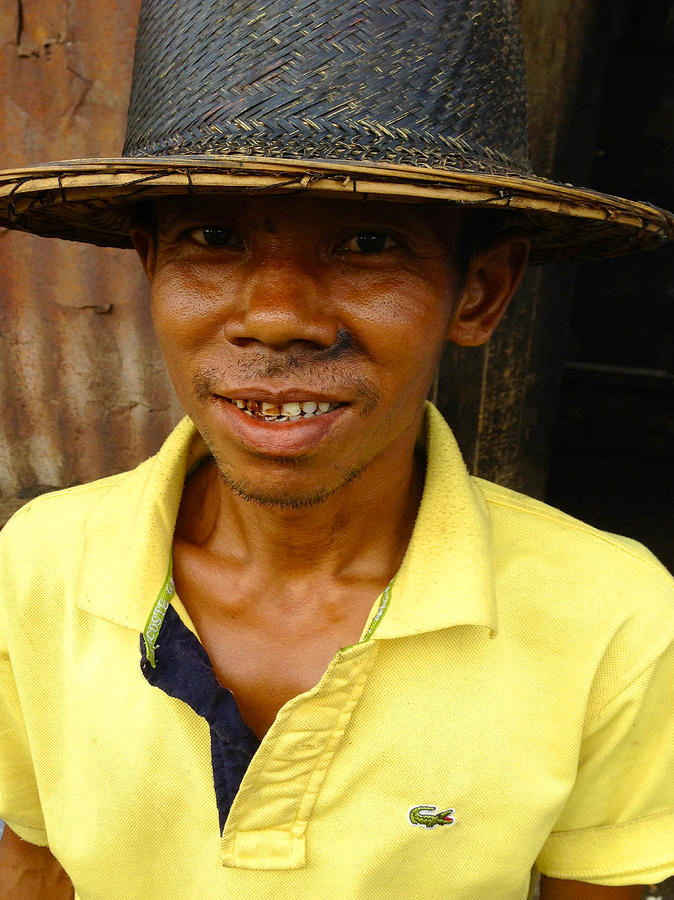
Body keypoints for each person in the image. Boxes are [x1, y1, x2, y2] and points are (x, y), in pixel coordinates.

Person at [0, 1, 673, 898]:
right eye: (212, 236)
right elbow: (34, 864)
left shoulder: (611, 618)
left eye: (368, 243)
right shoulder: (37, 566)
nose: (277, 316)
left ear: (479, 291)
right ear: (151, 265)